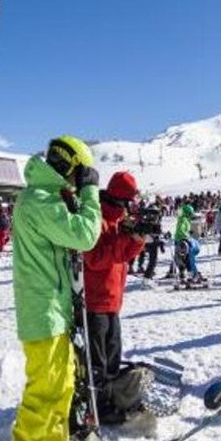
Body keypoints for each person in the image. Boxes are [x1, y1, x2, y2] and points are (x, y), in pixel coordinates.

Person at [7, 136, 102, 441]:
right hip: (42, 314)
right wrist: (91, 192)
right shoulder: (39, 201)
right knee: (42, 395)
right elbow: (84, 235)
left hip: (55, 312)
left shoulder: (49, 198)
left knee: (62, 387)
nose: (80, 181)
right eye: (80, 174)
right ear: (70, 167)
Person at [81, 171, 148, 422]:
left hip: (112, 299)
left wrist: (137, 240)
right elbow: (96, 259)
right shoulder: (96, 219)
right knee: (97, 361)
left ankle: (108, 400)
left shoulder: (118, 220)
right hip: (96, 299)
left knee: (112, 356)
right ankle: (97, 405)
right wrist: (124, 240)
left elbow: (123, 255)